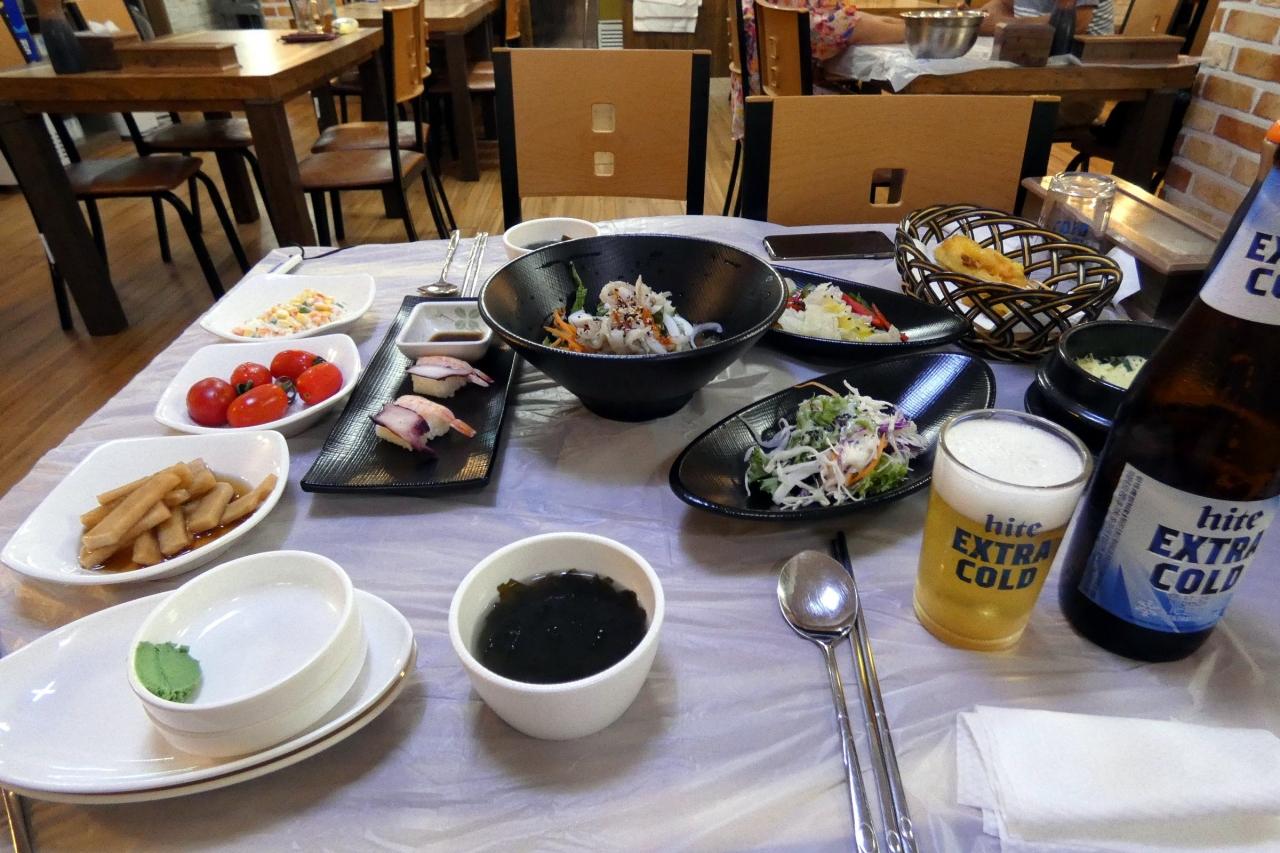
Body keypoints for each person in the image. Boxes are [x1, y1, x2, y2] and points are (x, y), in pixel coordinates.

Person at [731, 0, 908, 140]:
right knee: (887, 115)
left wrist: (905, 25)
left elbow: (845, 16)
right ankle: (861, 168)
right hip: (785, 103)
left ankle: (862, 168)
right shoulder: (791, 12)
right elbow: (838, 27)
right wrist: (910, 32)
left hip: (766, 92)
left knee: (881, 107)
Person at [978, 0, 1115, 37]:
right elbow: (1002, 4)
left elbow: (1077, 24)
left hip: (1081, 74)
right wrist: (978, 17)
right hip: (1033, 61)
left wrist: (1005, 25)